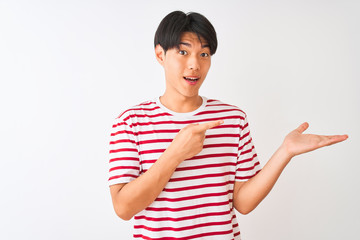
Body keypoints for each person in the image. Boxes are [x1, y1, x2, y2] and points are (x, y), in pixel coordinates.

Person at [108, 10, 348, 239]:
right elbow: (123, 208)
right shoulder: (131, 122)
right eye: (183, 52)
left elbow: (243, 203)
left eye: (204, 54)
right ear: (160, 55)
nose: (194, 64)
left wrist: (285, 152)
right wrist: (175, 153)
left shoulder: (232, 119)